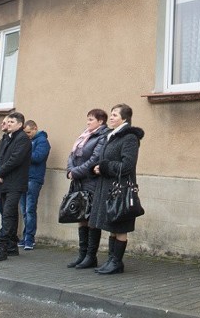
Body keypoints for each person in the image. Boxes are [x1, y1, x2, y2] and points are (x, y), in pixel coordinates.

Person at [88, 103, 145, 275]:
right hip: (108, 187)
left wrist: (104, 167)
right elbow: (105, 160)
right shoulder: (112, 136)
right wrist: (98, 167)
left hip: (121, 190)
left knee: (120, 227)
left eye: (114, 115)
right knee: (112, 225)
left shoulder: (129, 138)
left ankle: (116, 262)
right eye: (111, 114)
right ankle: (112, 260)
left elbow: (127, 165)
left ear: (124, 119)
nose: (111, 117)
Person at [65, 108, 110, 269]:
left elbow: (94, 159)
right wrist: (70, 170)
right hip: (78, 182)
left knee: (91, 219)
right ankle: (82, 255)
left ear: (100, 121)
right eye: (88, 119)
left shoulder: (102, 136)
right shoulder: (85, 135)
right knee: (81, 217)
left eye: (91, 119)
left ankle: (91, 257)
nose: (88, 122)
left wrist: (75, 172)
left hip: (92, 182)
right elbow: (72, 155)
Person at [0, 112, 31, 261]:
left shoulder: (23, 139)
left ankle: (2, 249)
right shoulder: (6, 138)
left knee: (8, 214)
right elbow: (0, 158)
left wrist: (0, 172)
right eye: (8, 122)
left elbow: (15, 160)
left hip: (15, 183)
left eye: (12, 122)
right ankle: (12, 246)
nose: (8, 124)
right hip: (3, 181)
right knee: (10, 215)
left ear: (20, 125)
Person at [18, 119, 50, 250]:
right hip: (24, 178)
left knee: (30, 209)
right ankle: (25, 236)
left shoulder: (42, 141)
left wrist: (23, 152)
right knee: (24, 210)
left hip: (34, 178)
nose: (27, 135)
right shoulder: (29, 141)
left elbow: (38, 157)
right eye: (25, 133)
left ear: (35, 128)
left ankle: (29, 239)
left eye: (29, 132)